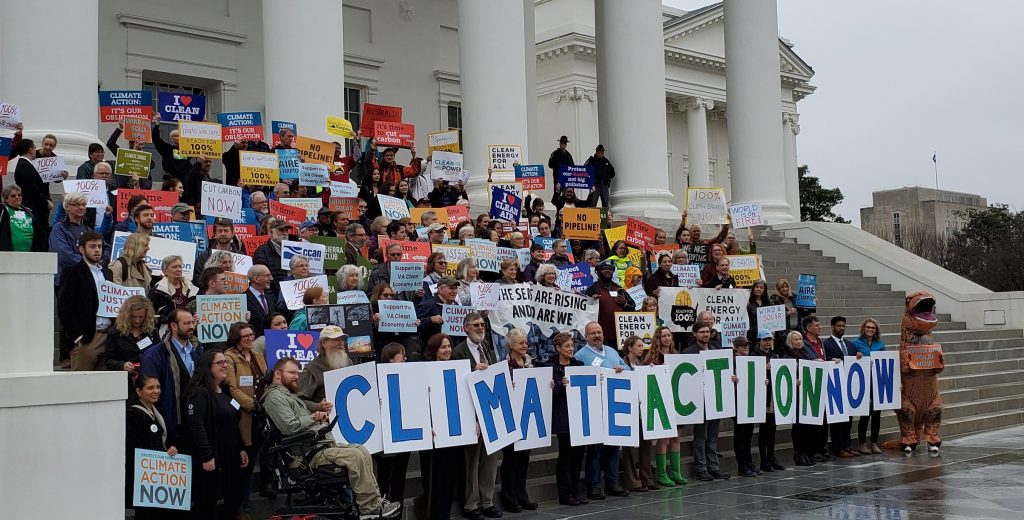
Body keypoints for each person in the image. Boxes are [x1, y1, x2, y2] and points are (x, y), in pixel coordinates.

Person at [262, 357, 401, 519]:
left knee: (361, 450)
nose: (297, 376)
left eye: (298, 373)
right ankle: (370, 508)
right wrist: (314, 418)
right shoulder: (275, 398)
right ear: (278, 374)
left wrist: (318, 416)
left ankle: (373, 503)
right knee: (354, 456)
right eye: (292, 372)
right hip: (305, 457)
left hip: (318, 447)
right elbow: (290, 426)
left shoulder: (288, 396)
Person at [184, 350, 248, 519]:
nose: (225, 365)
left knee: (235, 498)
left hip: (230, 458)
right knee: (207, 505)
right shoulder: (199, 392)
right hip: (211, 459)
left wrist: (241, 448)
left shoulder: (225, 391)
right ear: (207, 367)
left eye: (225, 362)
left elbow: (234, 423)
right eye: (219, 363)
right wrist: (206, 456)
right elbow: (196, 426)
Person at [451, 312, 501, 520]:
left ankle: (487, 501)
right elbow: (453, 381)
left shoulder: (488, 349)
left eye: (482, 325)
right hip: (470, 413)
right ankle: (471, 504)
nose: (480, 328)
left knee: (490, 461)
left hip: (489, 412)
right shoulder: (458, 352)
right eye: (476, 325)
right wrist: (472, 370)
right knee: (471, 461)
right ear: (466, 328)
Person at [573, 322, 629, 500]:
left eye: (599, 332)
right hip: (594, 407)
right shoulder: (581, 355)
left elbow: (627, 368)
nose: (597, 335)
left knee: (613, 447)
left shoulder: (612, 351)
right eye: (592, 333)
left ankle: (613, 482)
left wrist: (622, 369)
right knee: (595, 449)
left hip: (613, 406)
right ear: (586, 336)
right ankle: (594, 485)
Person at [224, 322, 269, 514]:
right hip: (243, 415)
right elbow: (232, 388)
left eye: (252, 335)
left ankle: (247, 499)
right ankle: (240, 503)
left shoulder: (258, 356)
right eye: (246, 336)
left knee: (254, 459)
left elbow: (266, 381)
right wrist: (252, 404)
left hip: (261, 414)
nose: (251, 338)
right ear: (236, 338)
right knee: (244, 462)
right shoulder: (229, 357)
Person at [140, 308, 202, 446]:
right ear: (174, 326)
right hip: (171, 422)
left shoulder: (197, 350)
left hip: (194, 421)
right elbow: (149, 392)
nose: (192, 326)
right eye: (186, 323)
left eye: (193, 322)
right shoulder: (155, 355)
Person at [125, 375, 181, 520]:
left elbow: (164, 440)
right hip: (145, 479)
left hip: (160, 476)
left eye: (158, 387)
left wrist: (171, 449)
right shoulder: (133, 414)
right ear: (138, 391)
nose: (155, 391)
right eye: (150, 388)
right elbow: (133, 448)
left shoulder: (159, 411)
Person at [57, 231, 112, 371]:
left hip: (109, 335)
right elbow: (64, 308)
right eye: (92, 246)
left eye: (99, 246)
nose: (97, 250)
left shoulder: (107, 272)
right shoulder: (72, 272)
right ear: (82, 249)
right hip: (88, 338)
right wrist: (77, 337)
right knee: (81, 387)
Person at [682, 322, 730, 481]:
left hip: (715, 397)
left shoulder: (717, 351)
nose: (705, 335)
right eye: (702, 332)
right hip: (699, 399)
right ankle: (701, 468)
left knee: (713, 435)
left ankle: (713, 466)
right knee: (701, 435)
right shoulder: (688, 352)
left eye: (707, 332)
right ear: (695, 334)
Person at [498, 329, 539, 513]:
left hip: (528, 417)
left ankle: (522, 495)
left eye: (526, 342)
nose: (525, 345)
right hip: (511, 418)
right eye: (521, 343)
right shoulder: (504, 365)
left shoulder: (530, 364)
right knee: (511, 459)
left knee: (524, 459)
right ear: (511, 346)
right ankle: (509, 497)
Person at [374, 343, 412, 517]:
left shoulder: (409, 376)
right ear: (390, 358)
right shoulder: (376, 378)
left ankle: (397, 512)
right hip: (385, 441)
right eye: (401, 355)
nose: (405, 358)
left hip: (404, 437)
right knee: (384, 479)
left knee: (400, 479)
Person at [550, 332, 587, 506]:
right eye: (567, 346)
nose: (571, 349)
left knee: (578, 456)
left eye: (572, 346)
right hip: (563, 418)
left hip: (579, 417)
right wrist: (560, 385)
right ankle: (564, 494)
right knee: (566, 456)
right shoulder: (552, 368)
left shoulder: (579, 365)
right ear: (558, 348)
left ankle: (576, 491)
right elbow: (550, 394)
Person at [645, 326, 685, 487]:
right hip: (661, 401)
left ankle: (676, 471)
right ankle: (662, 473)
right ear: (658, 339)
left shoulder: (677, 356)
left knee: (676, 437)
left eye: (669, 335)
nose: (667, 339)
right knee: (664, 439)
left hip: (676, 401)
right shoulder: (652, 358)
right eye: (664, 336)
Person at [618, 335, 657, 493]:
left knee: (646, 447)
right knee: (630, 449)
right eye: (639, 346)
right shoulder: (623, 364)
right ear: (630, 348)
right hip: (629, 411)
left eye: (642, 346)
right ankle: (633, 481)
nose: (642, 348)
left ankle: (646, 478)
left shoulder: (642, 365)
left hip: (643, 411)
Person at [823, 315, 859, 458]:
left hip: (849, 385)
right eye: (839, 326)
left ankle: (847, 445)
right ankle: (838, 448)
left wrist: (859, 356)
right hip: (835, 386)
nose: (841, 328)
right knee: (837, 420)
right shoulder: (827, 344)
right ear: (832, 327)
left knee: (848, 418)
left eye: (843, 326)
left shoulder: (850, 345)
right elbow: (825, 360)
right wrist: (831, 360)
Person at [800, 316, 834, 463]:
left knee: (824, 419)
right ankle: (813, 450)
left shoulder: (820, 342)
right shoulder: (804, 344)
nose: (820, 327)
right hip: (810, 383)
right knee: (813, 420)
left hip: (822, 381)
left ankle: (822, 448)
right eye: (817, 325)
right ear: (808, 328)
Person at [104, 295, 158, 386]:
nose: (137, 320)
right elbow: (108, 360)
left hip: (148, 380)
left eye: (141, 317)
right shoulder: (115, 332)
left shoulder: (152, 331)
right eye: (133, 317)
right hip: (125, 382)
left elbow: (159, 355)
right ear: (127, 315)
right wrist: (122, 365)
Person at [851, 318, 885, 454]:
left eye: (873, 328)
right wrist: (856, 356)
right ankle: (862, 443)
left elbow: (885, 362)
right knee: (865, 414)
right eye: (868, 327)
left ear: (876, 330)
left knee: (877, 414)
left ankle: (874, 443)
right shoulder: (855, 343)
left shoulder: (880, 344)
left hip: (877, 383)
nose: (870, 330)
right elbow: (850, 361)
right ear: (863, 329)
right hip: (862, 383)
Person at [755, 329, 786, 473]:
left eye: (769, 339)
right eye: (764, 340)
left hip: (773, 396)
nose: (767, 342)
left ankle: (772, 457)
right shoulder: (755, 355)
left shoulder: (775, 355)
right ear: (759, 341)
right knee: (764, 430)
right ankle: (764, 459)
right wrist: (763, 368)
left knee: (772, 430)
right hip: (763, 397)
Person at [729, 337, 761, 477]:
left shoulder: (751, 360)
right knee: (740, 434)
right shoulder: (732, 361)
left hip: (749, 400)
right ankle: (742, 464)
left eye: (746, 346)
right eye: (742, 346)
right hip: (737, 400)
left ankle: (748, 462)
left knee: (748, 434)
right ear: (736, 348)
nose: (745, 348)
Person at [298, 326, 351, 410]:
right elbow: (299, 401)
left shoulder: (348, 362)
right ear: (323, 343)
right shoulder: (312, 369)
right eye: (336, 340)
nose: (341, 343)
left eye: (342, 340)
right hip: (326, 420)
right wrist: (318, 406)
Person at [784, 329, 816, 467]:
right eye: (796, 339)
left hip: (807, 392)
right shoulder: (787, 355)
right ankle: (799, 453)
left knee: (808, 424)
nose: (799, 342)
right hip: (795, 394)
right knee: (798, 426)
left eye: (800, 339)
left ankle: (807, 452)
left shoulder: (806, 354)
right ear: (790, 342)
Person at [586, 260, 632, 345]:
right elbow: (584, 311)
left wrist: (625, 303)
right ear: (598, 272)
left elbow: (632, 307)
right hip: (602, 335)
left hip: (620, 335)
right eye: (605, 268)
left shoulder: (619, 289)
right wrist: (591, 301)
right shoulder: (592, 289)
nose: (608, 271)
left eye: (610, 269)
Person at [49, 192, 91, 285]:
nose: (81, 207)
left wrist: (101, 260)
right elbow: (62, 254)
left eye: (83, 205)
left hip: (85, 278)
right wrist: (88, 263)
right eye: (76, 205)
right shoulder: (59, 228)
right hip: (66, 279)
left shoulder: (88, 229)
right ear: (67, 207)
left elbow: (103, 246)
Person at [150, 255, 200, 331]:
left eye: (180, 266)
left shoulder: (192, 289)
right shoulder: (157, 291)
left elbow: (198, 310)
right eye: (174, 267)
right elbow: (151, 317)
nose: (179, 269)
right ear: (165, 271)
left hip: (190, 331)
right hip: (166, 332)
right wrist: (173, 319)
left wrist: (197, 316)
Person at [12, 138, 53, 228]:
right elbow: (32, 189)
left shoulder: (25, 164)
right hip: (33, 208)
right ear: (30, 150)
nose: (35, 151)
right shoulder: (25, 166)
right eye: (34, 148)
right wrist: (46, 202)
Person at [0, 184, 46, 252]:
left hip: (31, 254)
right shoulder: (2, 210)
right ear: (6, 199)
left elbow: (39, 233)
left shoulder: (30, 212)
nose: (17, 197)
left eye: (19, 195)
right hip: (8, 254)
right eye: (13, 196)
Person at [253, 218, 291, 293]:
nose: (285, 233)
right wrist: (272, 300)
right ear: (270, 233)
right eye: (281, 230)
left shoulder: (292, 250)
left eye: (286, 230)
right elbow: (262, 281)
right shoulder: (262, 251)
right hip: (274, 298)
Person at [245, 265, 274, 339]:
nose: (271, 278)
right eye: (267, 275)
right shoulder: (243, 299)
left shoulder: (270, 298)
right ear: (256, 279)